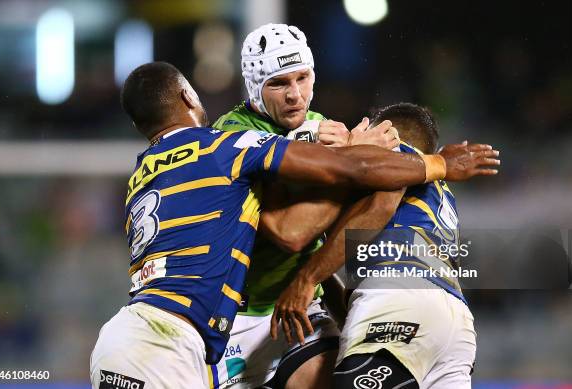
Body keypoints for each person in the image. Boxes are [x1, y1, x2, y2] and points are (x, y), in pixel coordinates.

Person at [89, 62, 498, 389]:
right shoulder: (220, 145)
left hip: (134, 336)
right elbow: (343, 176)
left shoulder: (139, 177)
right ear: (187, 96)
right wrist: (439, 163)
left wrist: (312, 284)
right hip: (169, 342)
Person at [212, 23, 392, 389]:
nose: (295, 94)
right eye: (278, 83)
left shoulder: (322, 127)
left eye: (303, 78)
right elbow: (288, 234)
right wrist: (347, 160)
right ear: (254, 88)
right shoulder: (227, 134)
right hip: (233, 318)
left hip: (297, 312)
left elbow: (328, 230)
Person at [273, 103, 492, 388]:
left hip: (400, 302)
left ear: (386, 133)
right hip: (455, 326)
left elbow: (383, 203)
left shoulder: (393, 157)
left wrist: (307, 278)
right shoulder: (440, 195)